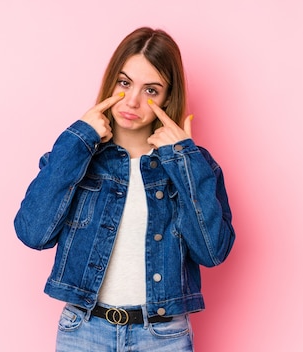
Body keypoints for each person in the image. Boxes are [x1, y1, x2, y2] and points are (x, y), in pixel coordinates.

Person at [14, 27, 235, 351]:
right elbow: (33, 233)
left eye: (151, 90)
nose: (132, 100)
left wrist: (183, 159)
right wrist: (78, 140)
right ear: (111, 82)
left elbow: (212, 252)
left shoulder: (194, 165)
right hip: (83, 332)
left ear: (167, 97)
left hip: (163, 338)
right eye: (124, 82)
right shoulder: (78, 157)